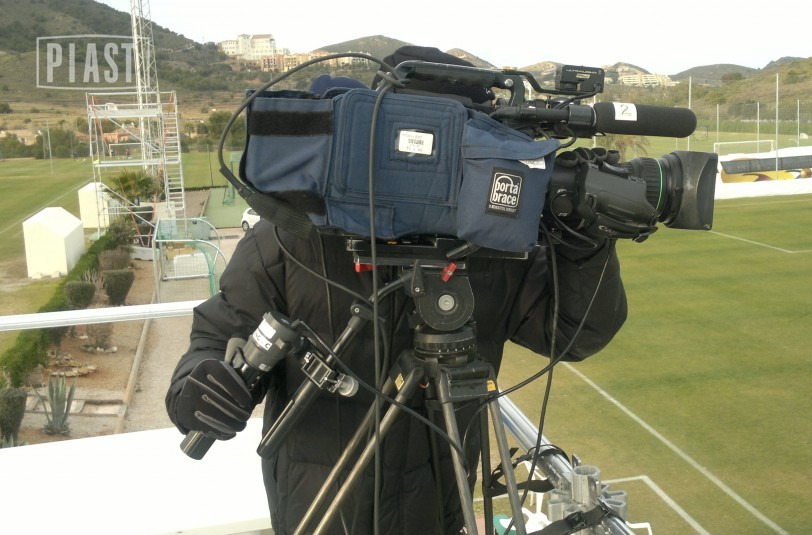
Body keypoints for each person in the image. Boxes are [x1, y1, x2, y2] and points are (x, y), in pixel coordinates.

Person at [165, 47, 628, 535]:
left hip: (438, 512)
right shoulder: (292, 236)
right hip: (318, 514)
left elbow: (574, 334)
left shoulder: (493, 243)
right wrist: (200, 388)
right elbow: (216, 339)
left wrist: (586, 243)